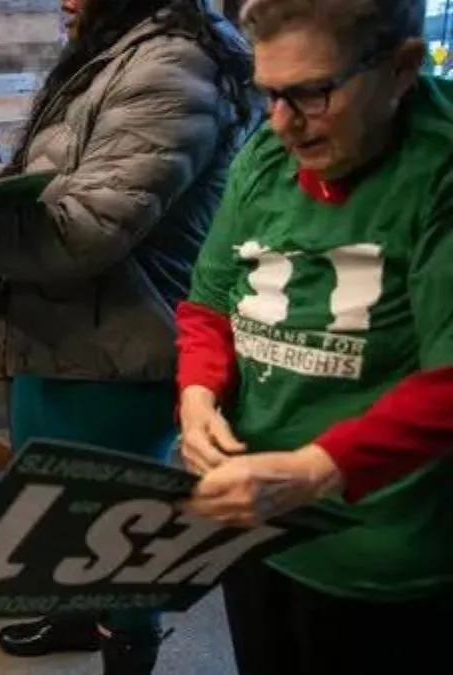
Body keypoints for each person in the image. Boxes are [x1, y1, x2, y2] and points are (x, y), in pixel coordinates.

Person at [0, 0, 257, 672]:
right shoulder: (116, 49)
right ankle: (73, 618)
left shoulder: (174, 66)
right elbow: (54, 169)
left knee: (115, 532)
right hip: (68, 331)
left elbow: (87, 226)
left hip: (121, 344)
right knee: (60, 509)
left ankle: (127, 646)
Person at [174, 0, 453, 673]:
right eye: (268, 92)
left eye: (311, 93)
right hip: (259, 528)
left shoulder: (437, 169)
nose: (281, 122)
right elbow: (210, 301)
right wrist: (198, 393)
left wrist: (316, 470)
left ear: (401, 68)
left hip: (380, 556)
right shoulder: (266, 151)